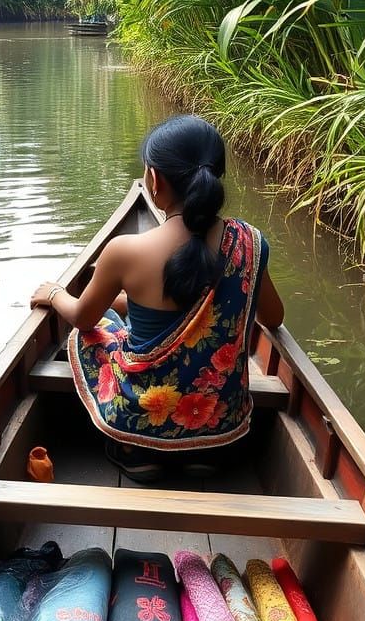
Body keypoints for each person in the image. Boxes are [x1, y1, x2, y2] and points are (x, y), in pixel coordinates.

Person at [30, 114, 284, 482]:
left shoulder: (125, 251)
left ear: (154, 178)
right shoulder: (250, 244)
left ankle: (134, 450)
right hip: (219, 425)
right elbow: (272, 318)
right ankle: (202, 454)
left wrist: (55, 294)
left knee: (92, 332)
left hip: (144, 421)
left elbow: (83, 316)